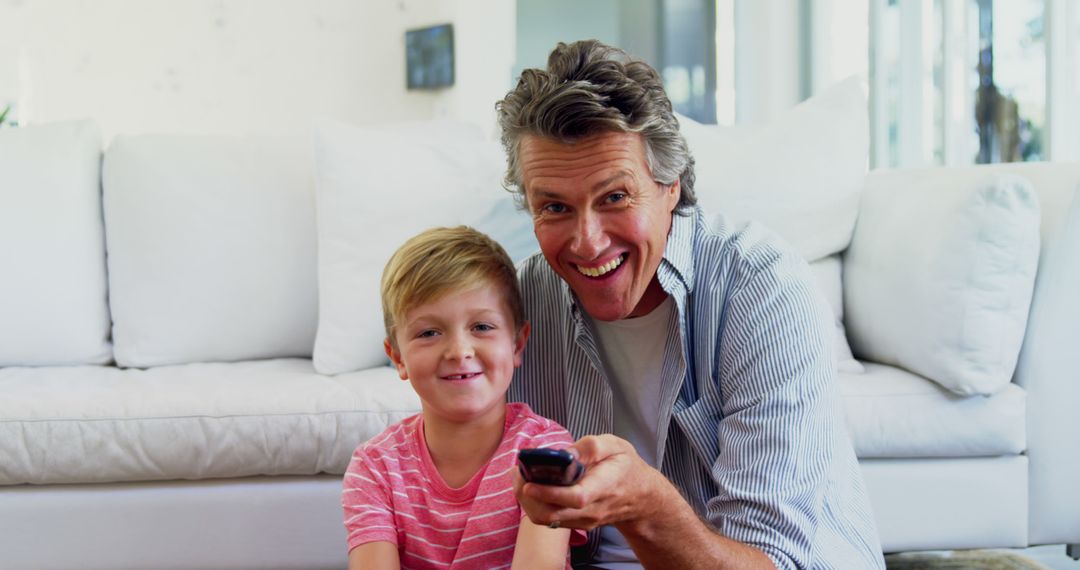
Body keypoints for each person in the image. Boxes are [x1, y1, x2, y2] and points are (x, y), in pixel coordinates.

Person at [496, 40, 885, 569]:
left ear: (670, 186)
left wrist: (646, 505)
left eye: (614, 197)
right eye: (555, 207)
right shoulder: (524, 302)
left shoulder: (760, 286)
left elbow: (771, 563)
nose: (587, 243)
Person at [341, 226, 585, 569]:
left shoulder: (546, 452)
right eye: (429, 333)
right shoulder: (375, 468)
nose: (458, 351)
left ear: (517, 343)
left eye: (482, 327)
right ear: (397, 357)